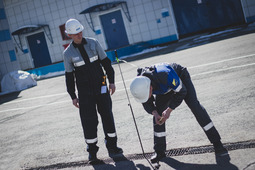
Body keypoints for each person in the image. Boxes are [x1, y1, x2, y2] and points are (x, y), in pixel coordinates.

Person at [130, 62, 230, 164]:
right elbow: (146, 102)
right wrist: (155, 113)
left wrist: (169, 110)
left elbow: (182, 91)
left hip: (180, 78)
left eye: (148, 94)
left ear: (150, 87)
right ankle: (159, 151)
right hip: (164, 88)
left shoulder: (165, 75)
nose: (148, 97)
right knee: (158, 116)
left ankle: (217, 143)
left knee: (195, 107)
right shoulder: (140, 84)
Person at [63, 18, 122, 164]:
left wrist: (112, 81)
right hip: (84, 93)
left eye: (80, 31)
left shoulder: (94, 43)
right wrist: (73, 96)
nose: (79, 35)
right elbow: (69, 77)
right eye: (75, 33)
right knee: (89, 121)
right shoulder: (67, 53)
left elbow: (106, 63)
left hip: (101, 86)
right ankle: (93, 152)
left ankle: (113, 147)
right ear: (69, 35)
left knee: (107, 116)